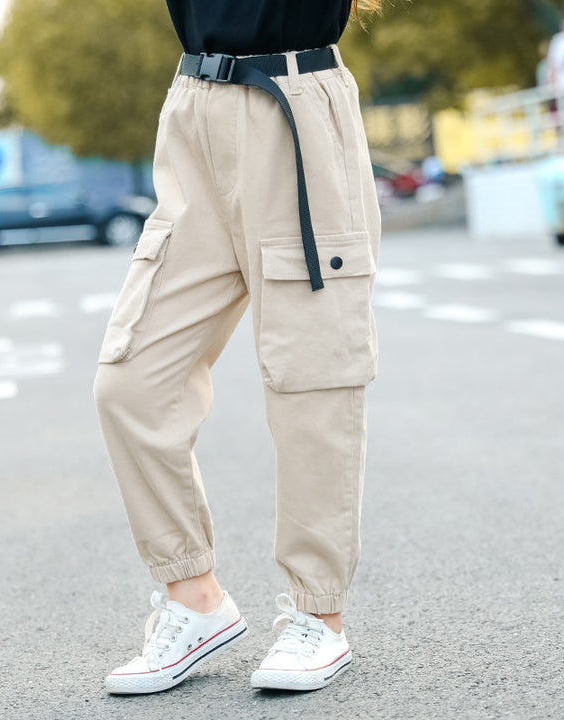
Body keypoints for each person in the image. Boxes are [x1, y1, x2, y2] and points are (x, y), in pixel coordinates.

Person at [93, 0, 382, 694]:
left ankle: (321, 616)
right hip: (192, 110)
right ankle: (194, 600)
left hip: (296, 107)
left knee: (308, 378)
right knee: (131, 380)